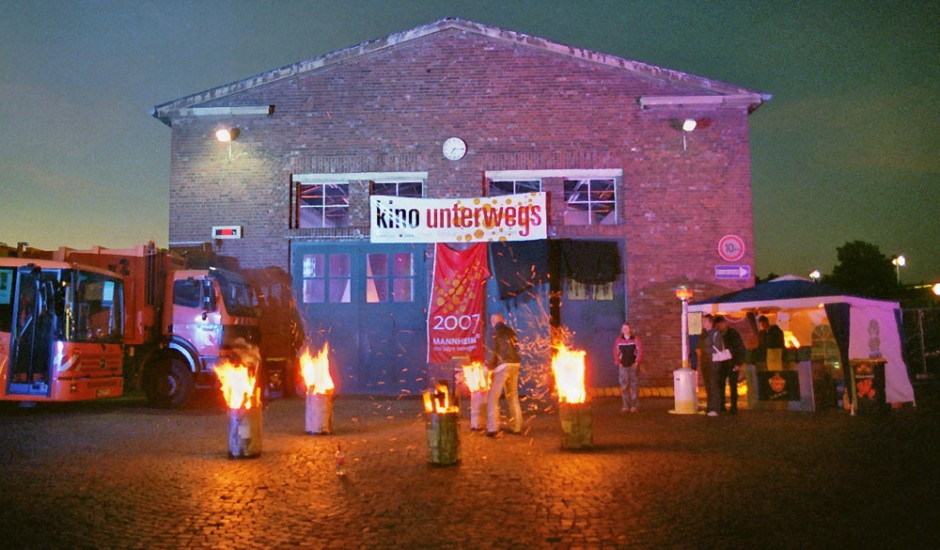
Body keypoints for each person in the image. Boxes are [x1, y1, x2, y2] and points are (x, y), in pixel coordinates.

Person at [486, 313, 522, 437]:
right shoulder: (511, 332)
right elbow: (517, 349)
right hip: (515, 364)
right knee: (512, 396)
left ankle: (493, 428)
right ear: (503, 321)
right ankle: (516, 427)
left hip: (502, 365)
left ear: (492, 322)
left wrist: (489, 368)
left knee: (493, 397)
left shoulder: (494, 333)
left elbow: (493, 353)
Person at [716, 316, 746, 414]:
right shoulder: (717, 335)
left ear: (724, 323)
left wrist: (738, 363)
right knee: (721, 384)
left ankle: (734, 406)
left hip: (732, 362)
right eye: (718, 325)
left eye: (721, 324)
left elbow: (740, 348)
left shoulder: (733, 334)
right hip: (722, 363)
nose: (720, 327)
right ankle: (722, 405)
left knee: (733, 385)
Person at [613, 322, 643, 413]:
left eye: (626, 328)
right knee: (624, 386)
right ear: (621, 330)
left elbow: (640, 351)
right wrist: (618, 362)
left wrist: (637, 362)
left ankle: (634, 406)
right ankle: (625, 406)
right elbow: (615, 352)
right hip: (623, 366)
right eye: (623, 328)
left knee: (634, 385)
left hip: (633, 365)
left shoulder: (636, 339)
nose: (625, 330)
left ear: (630, 329)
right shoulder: (618, 340)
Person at [702, 315, 724, 416]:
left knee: (713, 384)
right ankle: (709, 407)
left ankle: (715, 408)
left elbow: (718, 348)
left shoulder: (715, 333)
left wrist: (706, 350)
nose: (703, 323)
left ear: (710, 322)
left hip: (714, 361)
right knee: (708, 385)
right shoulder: (705, 333)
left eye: (705, 321)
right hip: (706, 361)